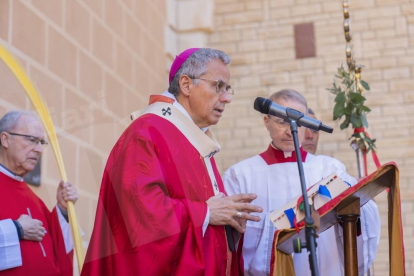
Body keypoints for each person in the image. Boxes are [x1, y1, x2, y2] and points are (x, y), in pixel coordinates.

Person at [82, 48, 263, 276]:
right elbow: (139, 214)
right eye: (218, 86)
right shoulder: (147, 131)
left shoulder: (196, 140)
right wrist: (206, 213)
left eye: (227, 89)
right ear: (186, 85)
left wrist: (229, 225)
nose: (226, 98)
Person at [223, 89, 381, 276]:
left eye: (298, 122)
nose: (290, 131)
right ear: (267, 122)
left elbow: (361, 212)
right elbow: (228, 241)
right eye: (282, 121)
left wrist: (359, 204)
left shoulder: (330, 169)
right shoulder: (240, 175)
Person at [0, 111, 78, 276]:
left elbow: (57, 249)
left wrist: (63, 210)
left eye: (41, 142)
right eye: (31, 140)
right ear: (5, 139)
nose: (39, 149)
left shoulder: (35, 201)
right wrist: (17, 229)